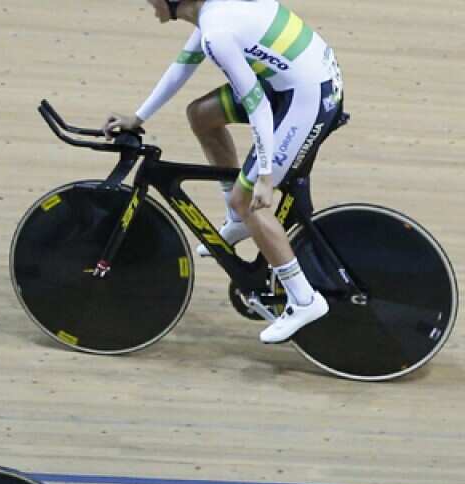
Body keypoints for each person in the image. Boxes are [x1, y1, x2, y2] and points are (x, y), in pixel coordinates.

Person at [103, 0, 345, 343]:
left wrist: (263, 177)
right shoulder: (211, 14)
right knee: (201, 115)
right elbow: (182, 67)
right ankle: (237, 219)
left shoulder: (217, 32)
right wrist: (138, 118)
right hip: (295, 83)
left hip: (306, 100)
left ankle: (304, 300)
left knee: (249, 199)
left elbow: (258, 105)